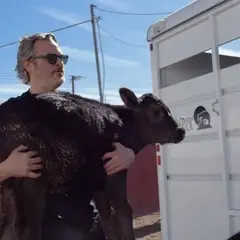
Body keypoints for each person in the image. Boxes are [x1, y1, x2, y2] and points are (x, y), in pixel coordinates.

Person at [10, 32, 136, 239]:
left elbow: (124, 135)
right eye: (52, 58)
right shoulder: (9, 114)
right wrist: (8, 168)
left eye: (62, 58)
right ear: (28, 65)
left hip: (88, 228)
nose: (59, 63)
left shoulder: (82, 110)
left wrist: (129, 153)